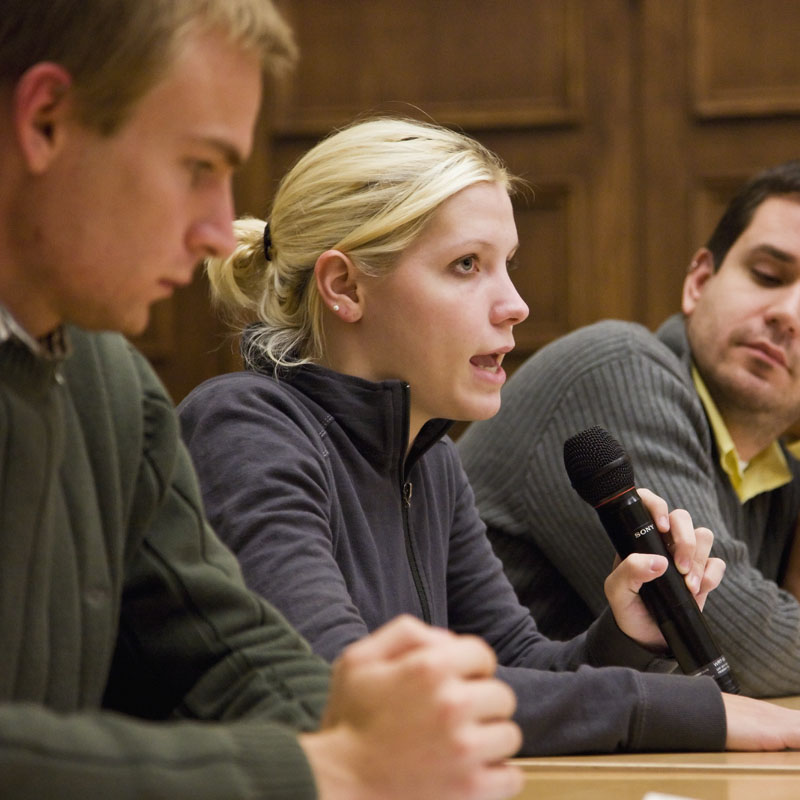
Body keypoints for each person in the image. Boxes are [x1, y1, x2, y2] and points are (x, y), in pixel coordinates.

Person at [0, 3, 526, 799]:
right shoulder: (241, 420)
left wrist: (385, 740)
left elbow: (228, 652)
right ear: (45, 122)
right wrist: (334, 764)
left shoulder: (113, 384)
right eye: (199, 167)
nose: (221, 228)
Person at [178, 116, 800, 758]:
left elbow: (520, 664)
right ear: (346, 287)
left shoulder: (429, 458)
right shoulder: (245, 428)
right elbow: (347, 687)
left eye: (506, 265)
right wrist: (690, 711)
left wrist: (626, 633)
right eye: (466, 264)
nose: (515, 304)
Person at [457, 160, 800, 699]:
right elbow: (735, 654)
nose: (789, 314)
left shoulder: (781, 472)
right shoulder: (615, 368)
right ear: (699, 282)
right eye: (768, 276)